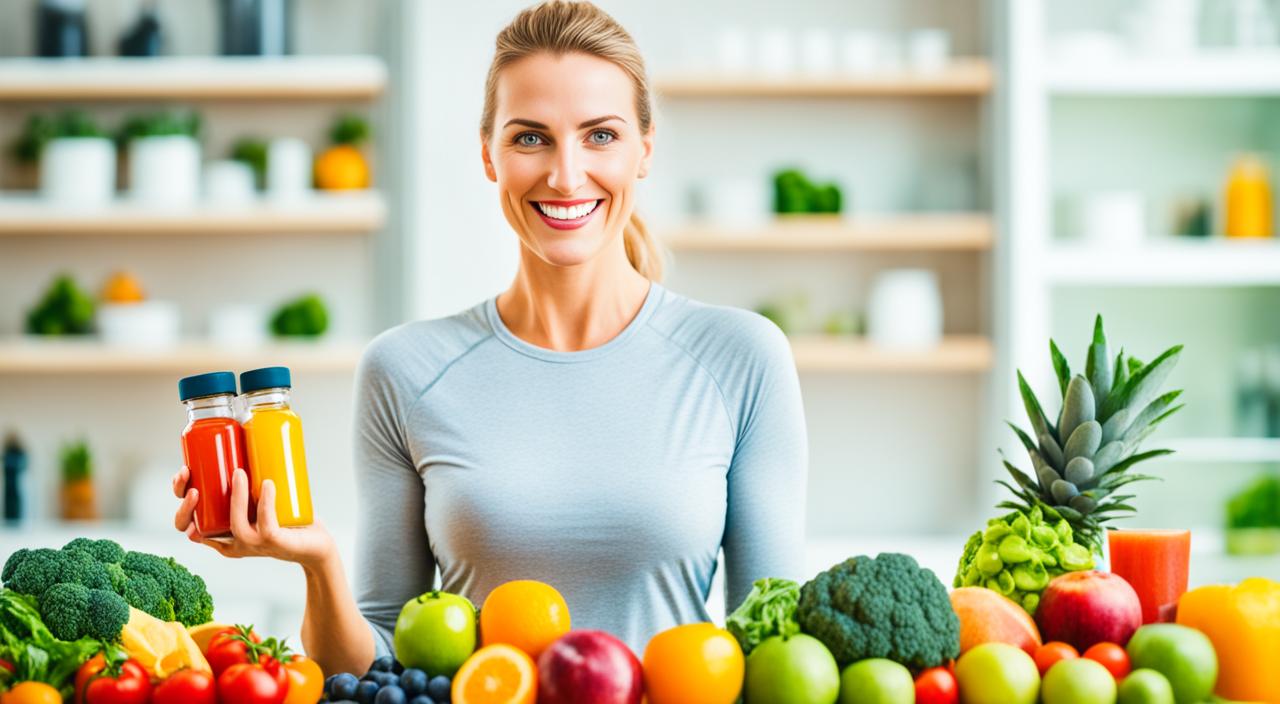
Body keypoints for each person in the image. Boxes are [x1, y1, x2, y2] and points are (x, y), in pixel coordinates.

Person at [171, 0, 807, 676]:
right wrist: (317, 561)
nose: (565, 175)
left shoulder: (742, 356)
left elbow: (772, 644)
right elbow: (373, 667)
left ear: (644, 151)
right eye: (530, 137)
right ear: (489, 156)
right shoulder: (405, 369)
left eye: (600, 136)